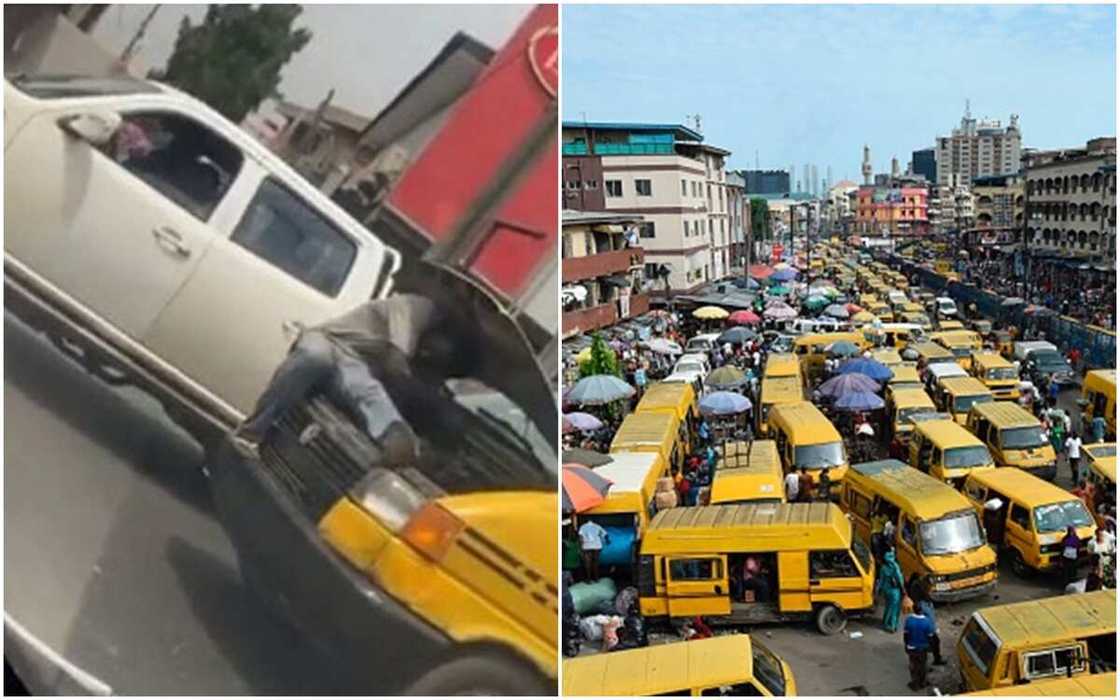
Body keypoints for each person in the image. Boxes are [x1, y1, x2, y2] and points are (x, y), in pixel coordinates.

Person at [233, 293, 468, 462]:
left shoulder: (425, 335)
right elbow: (396, 359)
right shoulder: (416, 306)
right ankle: (251, 433)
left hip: (354, 361)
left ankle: (396, 435)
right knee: (315, 358)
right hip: (329, 339)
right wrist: (424, 396)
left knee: (366, 390)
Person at [903, 600, 935, 690]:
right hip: (923, 648)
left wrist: (906, 645)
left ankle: (915, 684)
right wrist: (930, 647)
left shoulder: (909, 620)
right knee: (922, 666)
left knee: (914, 667)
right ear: (921, 610)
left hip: (912, 647)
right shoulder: (927, 622)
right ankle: (923, 682)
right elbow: (930, 636)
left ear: (913, 609)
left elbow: (906, 635)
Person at [875, 549, 906, 632]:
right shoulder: (895, 566)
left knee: (888, 606)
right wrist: (903, 589)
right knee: (895, 608)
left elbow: (881, 581)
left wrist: (878, 591)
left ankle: (885, 621)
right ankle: (892, 626)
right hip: (895, 591)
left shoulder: (883, 568)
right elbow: (899, 579)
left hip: (886, 590)